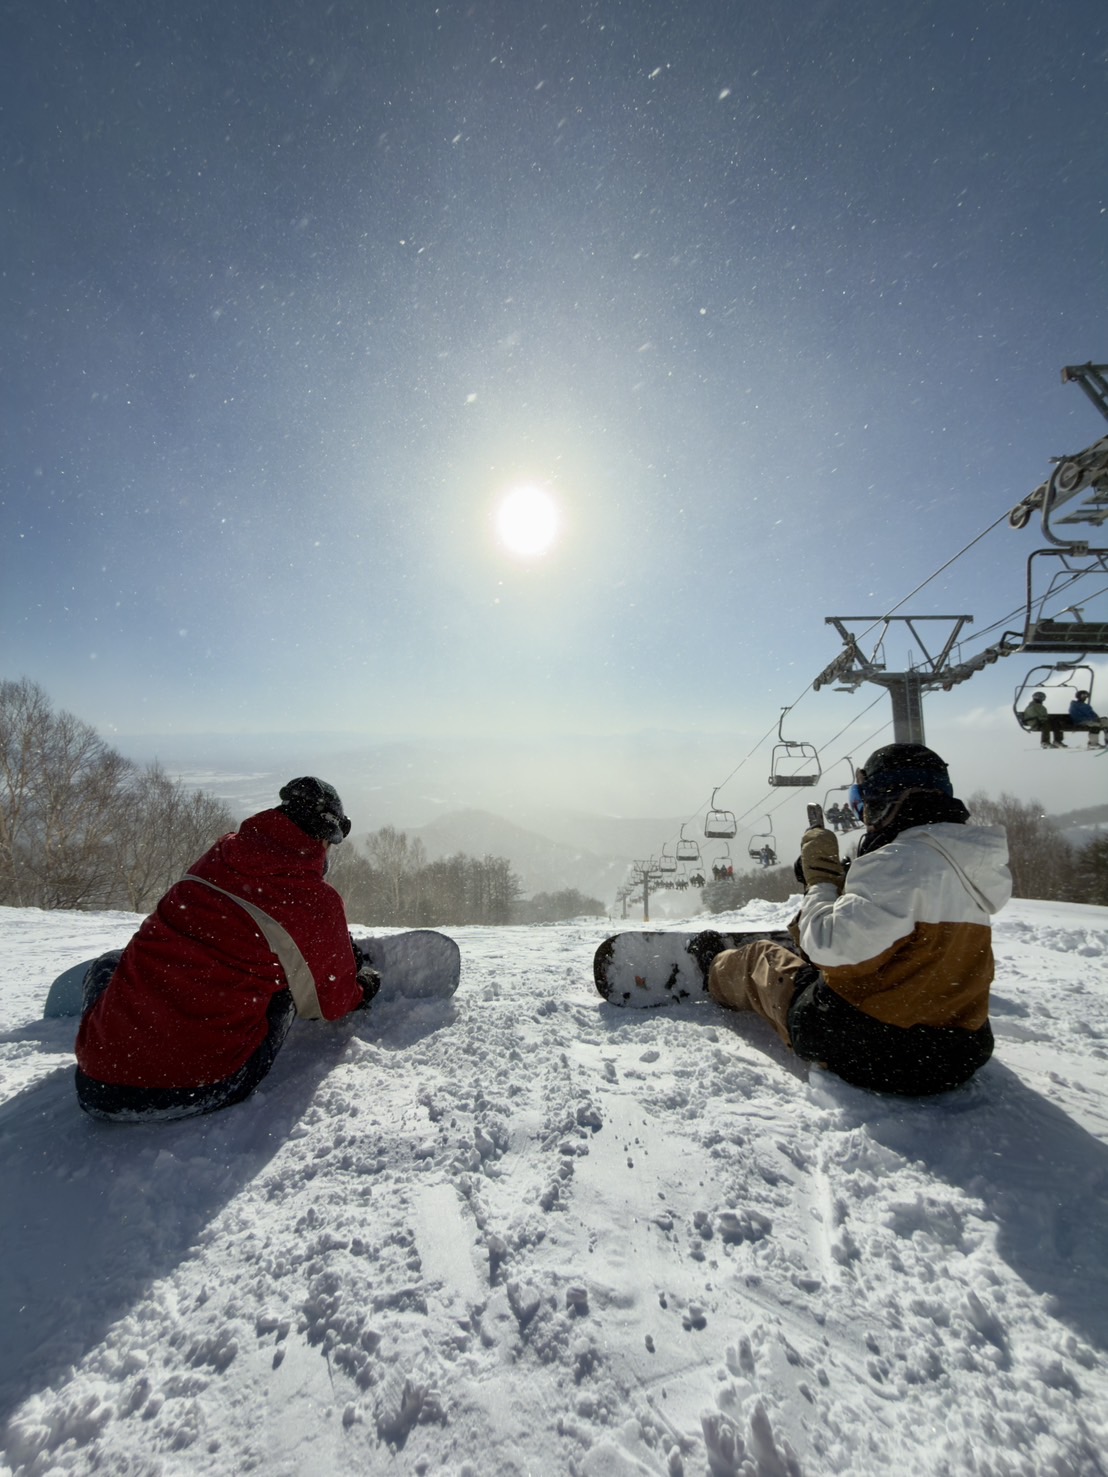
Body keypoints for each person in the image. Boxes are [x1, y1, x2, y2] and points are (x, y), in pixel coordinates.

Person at [690, 745, 1012, 1096]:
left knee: (762, 960)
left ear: (885, 799)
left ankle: (714, 971)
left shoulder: (897, 862)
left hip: (876, 1053)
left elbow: (828, 948)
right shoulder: (969, 865)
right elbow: (900, 915)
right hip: (959, 1051)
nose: (864, 816)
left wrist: (821, 882)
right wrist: (845, 883)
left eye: (861, 801)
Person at [74, 777, 380, 1122]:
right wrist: (362, 985)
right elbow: (330, 1004)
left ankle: (125, 1014)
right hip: (202, 1086)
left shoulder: (221, 854)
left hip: (95, 1084)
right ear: (325, 838)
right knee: (289, 986)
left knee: (110, 964)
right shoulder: (313, 899)